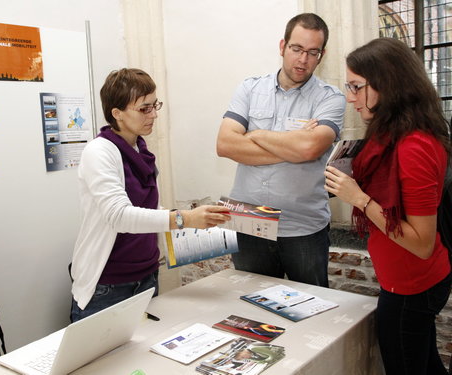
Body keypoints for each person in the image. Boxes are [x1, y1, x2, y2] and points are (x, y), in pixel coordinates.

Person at [324, 38, 451, 375]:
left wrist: (360, 199)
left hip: (412, 285)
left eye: (356, 86)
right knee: (425, 364)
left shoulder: (415, 146)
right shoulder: (395, 134)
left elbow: (421, 243)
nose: (350, 97)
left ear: (387, 84)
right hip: (408, 281)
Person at [70, 68, 230, 322]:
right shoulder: (99, 152)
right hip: (110, 284)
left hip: (146, 276)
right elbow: (119, 216)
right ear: (117, 113)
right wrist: (184, 218)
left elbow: (150, 210)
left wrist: (203, 228)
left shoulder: (140, 149)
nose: (154, 114)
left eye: (155, 105)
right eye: (144, 108)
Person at [216, 13, 346, 287]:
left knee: (313, 310)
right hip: (249, 219)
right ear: (282, 46)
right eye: (296, 49)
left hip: (303, 227)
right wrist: (292, 144)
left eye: (312, 53)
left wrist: (256, 134)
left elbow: (310, 148)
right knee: (251, 308)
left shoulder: (330, 98)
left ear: (321, 55)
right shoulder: (250, 89)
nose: (303, 60)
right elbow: (225, 144)